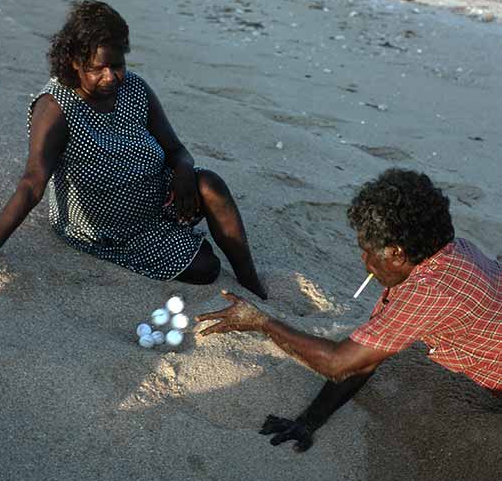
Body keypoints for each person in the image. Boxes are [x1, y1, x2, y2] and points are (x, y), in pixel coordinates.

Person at [0, 0, 266, 299]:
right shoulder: (56, 108)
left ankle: (250, 279)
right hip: (108, 226)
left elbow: (176, 148)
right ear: (74, 61)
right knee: (207, 269)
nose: (110, 77)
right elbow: (32, 184)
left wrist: (184, 170)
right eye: (98, 68)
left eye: (117, 65)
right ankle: (177, 241)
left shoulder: (134, 88)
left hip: (157, 197)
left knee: (210, 183)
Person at [197, 169, 502, 451]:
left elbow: (338, 362)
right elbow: (363, 358)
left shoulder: (428, 292)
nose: (365, 261)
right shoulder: (454, 251)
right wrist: (309, 421)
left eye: (367, 251)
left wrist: (261, 321)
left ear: (396, 253)